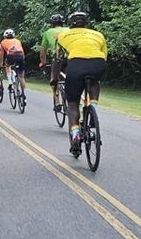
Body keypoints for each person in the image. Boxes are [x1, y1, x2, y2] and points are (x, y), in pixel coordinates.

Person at [55, 12, 107, 154]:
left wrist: (55, 78)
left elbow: (58, 59)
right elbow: (104, 56)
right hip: (98, 63)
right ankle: (93, 108)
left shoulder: (62, 36)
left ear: (71, 24)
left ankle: (76, 136)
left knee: (72, 103)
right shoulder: (98, 35)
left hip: (76, 64)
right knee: (95, 81)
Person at [38, 13, 68, 111]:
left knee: (54, 79)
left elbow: (43, 51)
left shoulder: (48, 32)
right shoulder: (68, 30)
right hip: (71, 57)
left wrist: (43, 62)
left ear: (52, 23)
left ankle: (57, 102)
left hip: (58, 58)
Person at [0, 29, 26, 96]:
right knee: (21, 77)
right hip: (20, 56)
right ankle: (23, 94)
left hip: (11, 56)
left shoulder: (3, 42)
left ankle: (10, 82)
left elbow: (1, 55)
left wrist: (1, 64)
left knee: (7, 66)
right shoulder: (18, 41)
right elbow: (22, 52)